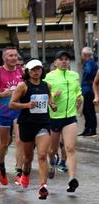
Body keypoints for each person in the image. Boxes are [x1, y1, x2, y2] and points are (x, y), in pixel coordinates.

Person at [9, 59, 57, 199]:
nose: (36, 72)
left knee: (42, 154)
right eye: (33, 70)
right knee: (28, 158)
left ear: (42, 70)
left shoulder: (47, 85)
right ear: (28, 71)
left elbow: (49, 99)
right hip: (27, 124)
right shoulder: (23, 86)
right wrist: (27, 105)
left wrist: (52, 105)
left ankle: (43, 185)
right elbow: (12, 104)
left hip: (43, 124)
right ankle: (25, 173)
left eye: (38, 69)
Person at [44, 50, 82, 193]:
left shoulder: (74, 76)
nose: (64, 61)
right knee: (52, 150)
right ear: (55, 62)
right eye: (61, 59)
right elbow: (45, 96)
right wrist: (53, 96)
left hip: (70, 117)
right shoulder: (49, 77)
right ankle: (52, 162)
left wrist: (80, 100)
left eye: (66, 59)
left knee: (70, 148)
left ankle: (72, 179)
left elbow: (78, 92)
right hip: (54, 118)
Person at [0, 47, 24, 185]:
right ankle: (1, 165)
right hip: (3, 111)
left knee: (20, 140)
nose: (14, 58)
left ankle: (19, 171)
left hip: (18, 111)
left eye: (15, 55)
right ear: (4, 58)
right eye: (10, 55)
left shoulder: (22, 71)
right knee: (4, 143)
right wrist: (2, 94)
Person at [78, 47, 98, 136]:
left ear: (85, 55)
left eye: (82, 54)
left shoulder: (89, 63)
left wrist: (89, 80)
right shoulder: (93, 63)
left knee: (88, 110)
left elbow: (89, 72)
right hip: (89, 89)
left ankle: (91, 129)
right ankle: (87, 129)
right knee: (87, 110)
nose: (81, 56)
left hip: (88, 90)